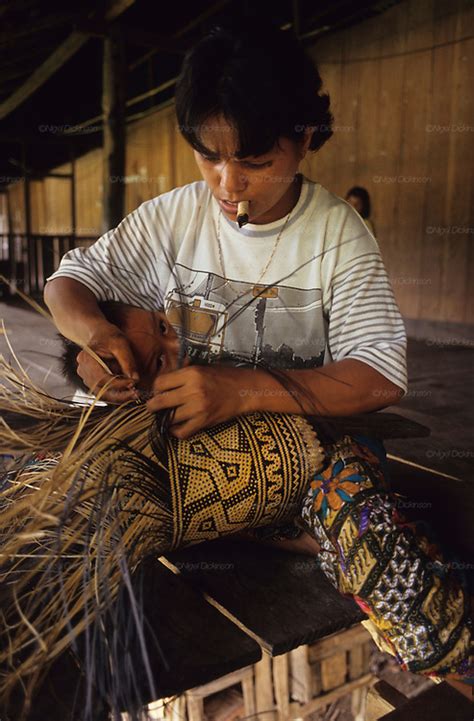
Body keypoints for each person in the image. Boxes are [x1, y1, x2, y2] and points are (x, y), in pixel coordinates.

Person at [42, 19, 471, 693]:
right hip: (203, 466)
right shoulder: (171, 220)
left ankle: (452, 654)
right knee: (76, 508)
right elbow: (68, 284)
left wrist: (240, 389)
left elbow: (380, 375)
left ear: (303, 139)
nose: (227, 183)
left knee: (361, 512)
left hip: (306, 460)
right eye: (209, 157)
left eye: (253, 161)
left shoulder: (338, 233)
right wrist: (98, 339)